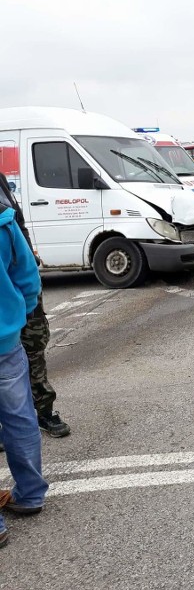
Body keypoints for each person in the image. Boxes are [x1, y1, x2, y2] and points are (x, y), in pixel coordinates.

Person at [0, 171, 70, 442]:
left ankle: (43, 410)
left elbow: (17, 221)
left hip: (21, 277)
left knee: (34, 344)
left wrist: (28, 252)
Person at [0, 200, 50, 547]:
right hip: (5, 339)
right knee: (20, 417)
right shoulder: (2, 218)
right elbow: (26, 272)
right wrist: (24, 310)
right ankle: (31, 493)